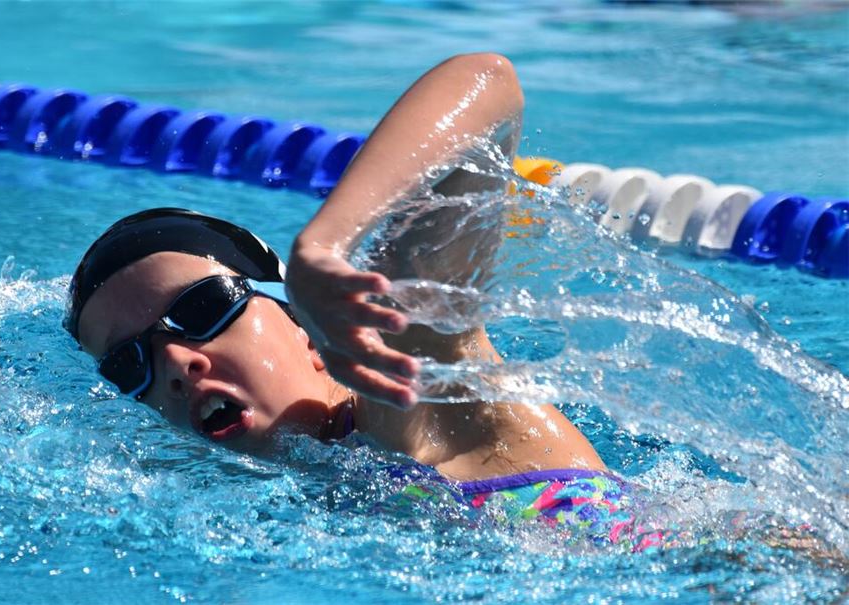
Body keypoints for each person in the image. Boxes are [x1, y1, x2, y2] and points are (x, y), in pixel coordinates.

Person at [65, 53, 654, 548]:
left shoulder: (412, 390)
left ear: (300, 320)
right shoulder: (301, 489)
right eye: (130, 363)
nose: (175, 363)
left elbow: (488, 84)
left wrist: (324, 244)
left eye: (201, 310)